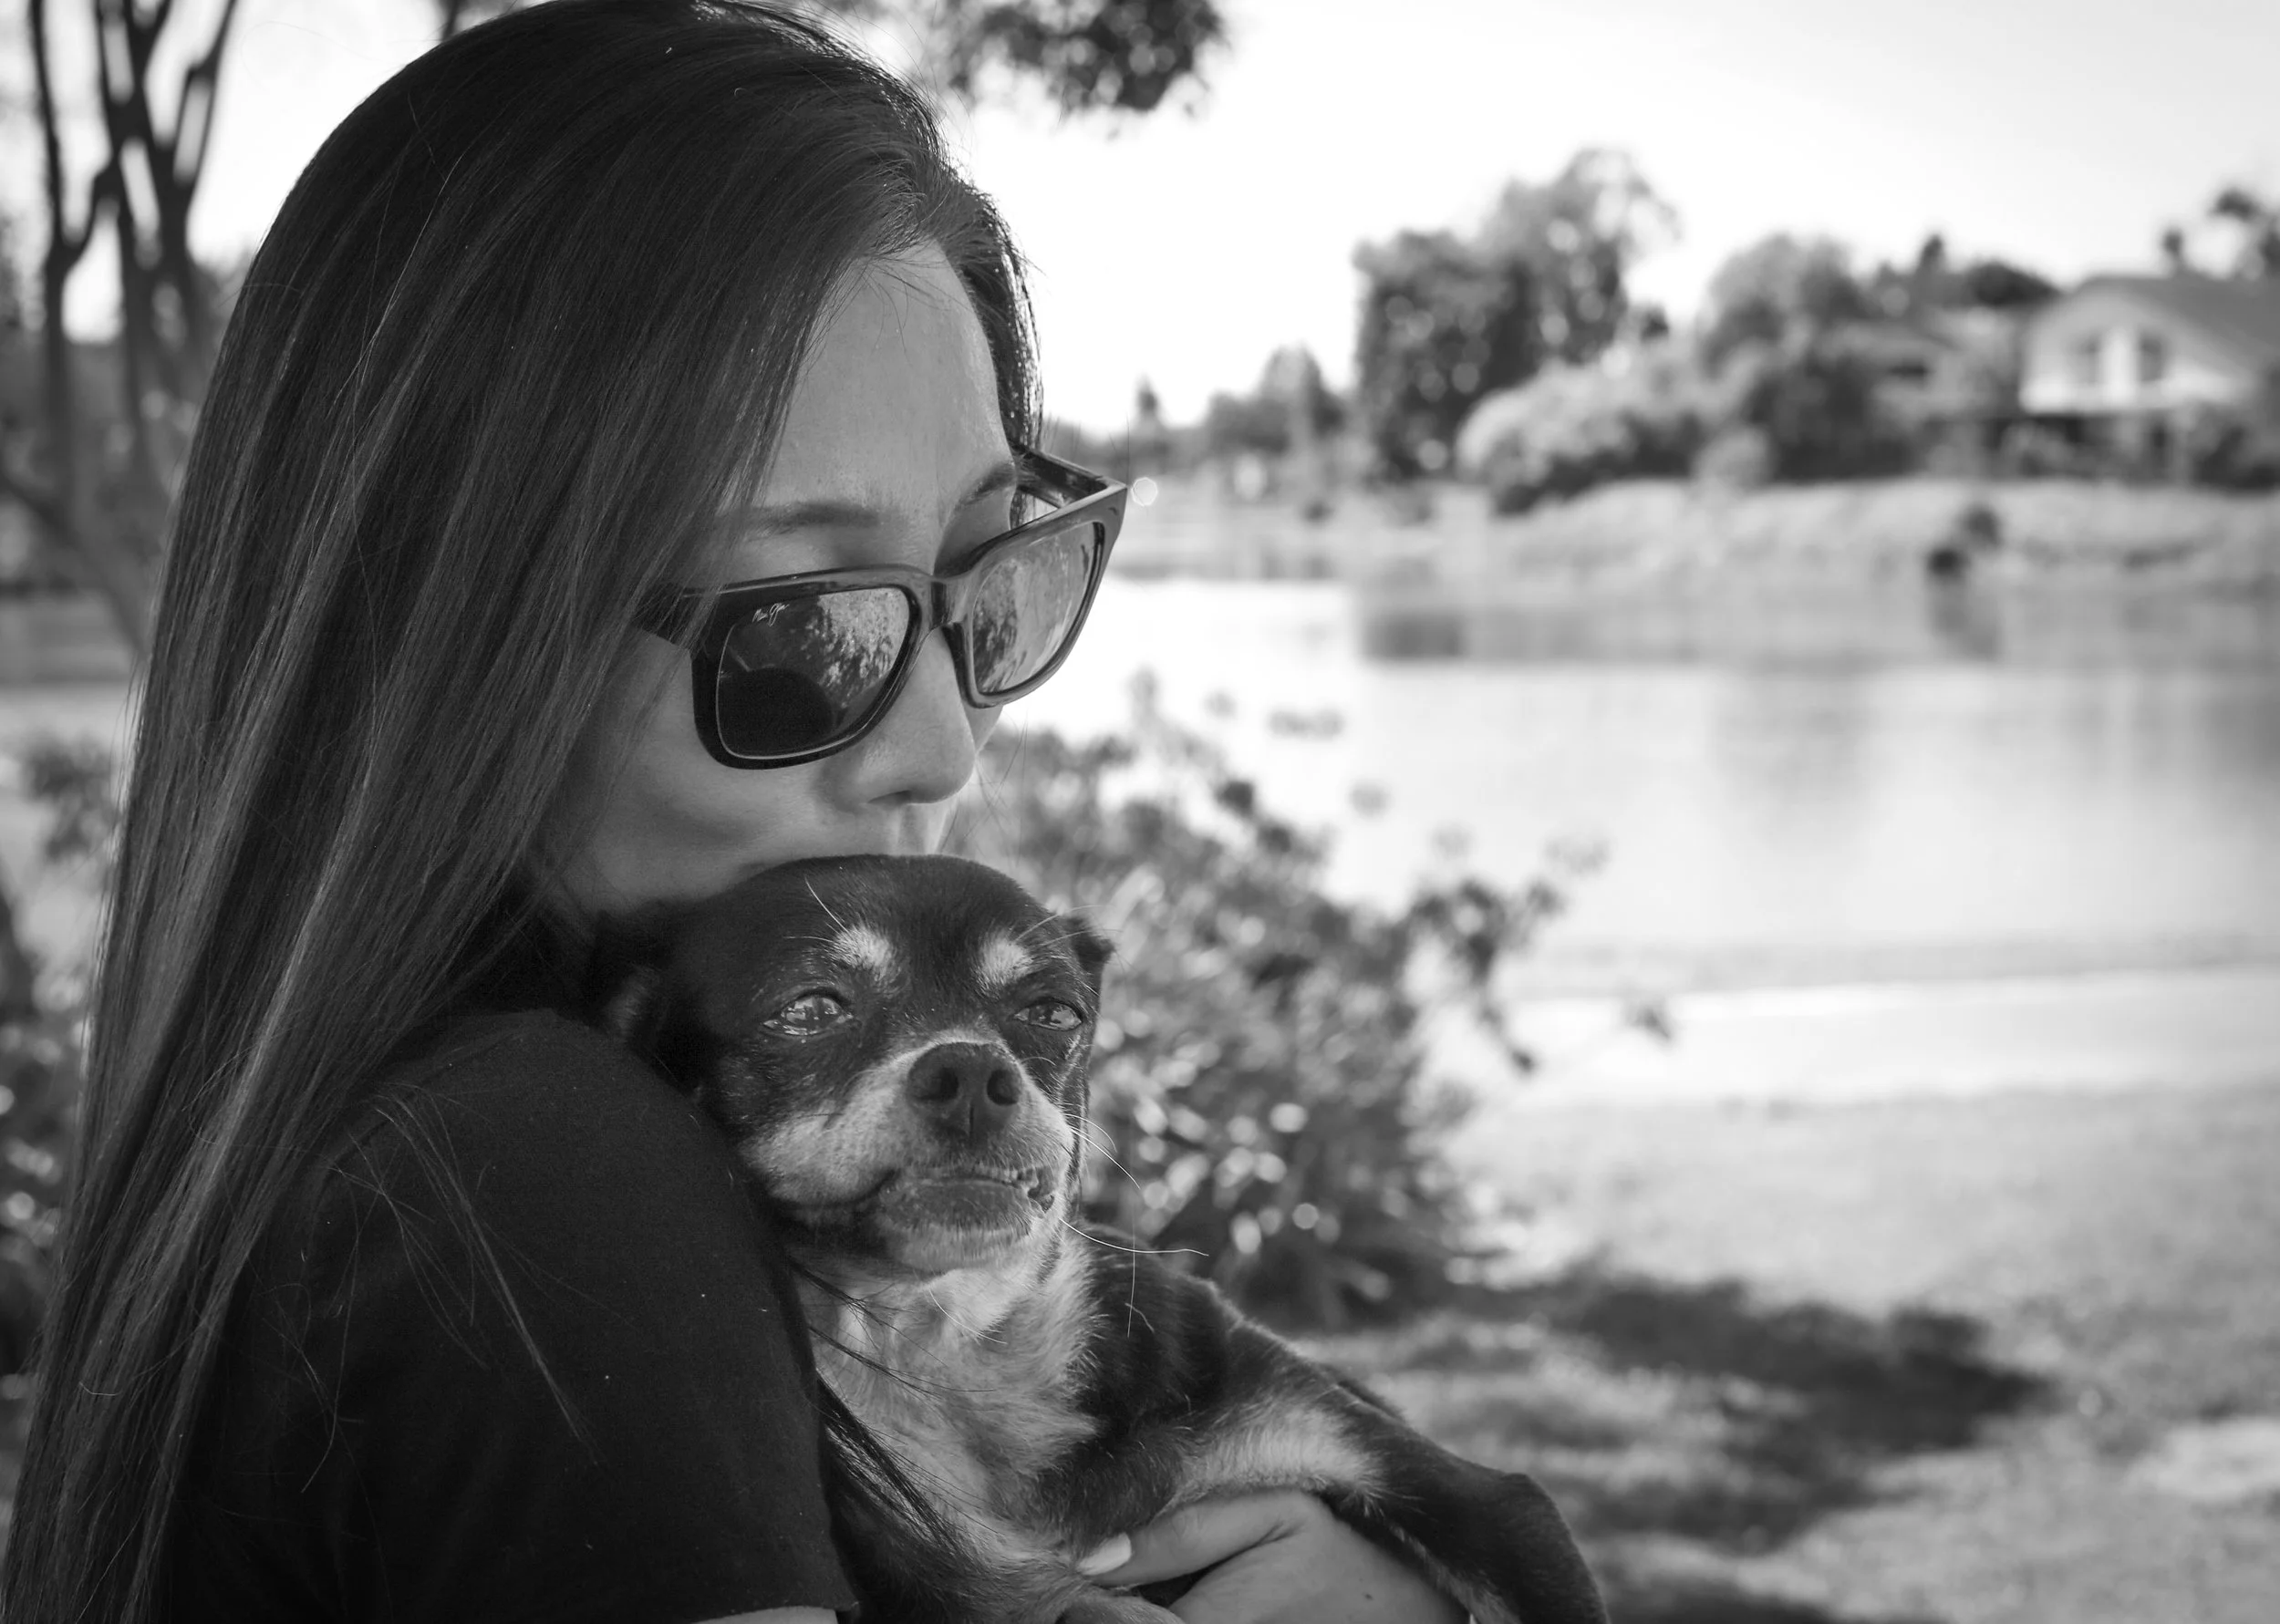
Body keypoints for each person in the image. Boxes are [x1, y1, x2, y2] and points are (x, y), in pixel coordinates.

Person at [2, 5, 1597, 1622]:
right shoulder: (543, 1186)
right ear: (452, 635)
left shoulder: (378, 1162)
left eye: (988, 589)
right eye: (798, 628)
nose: (944, 744)